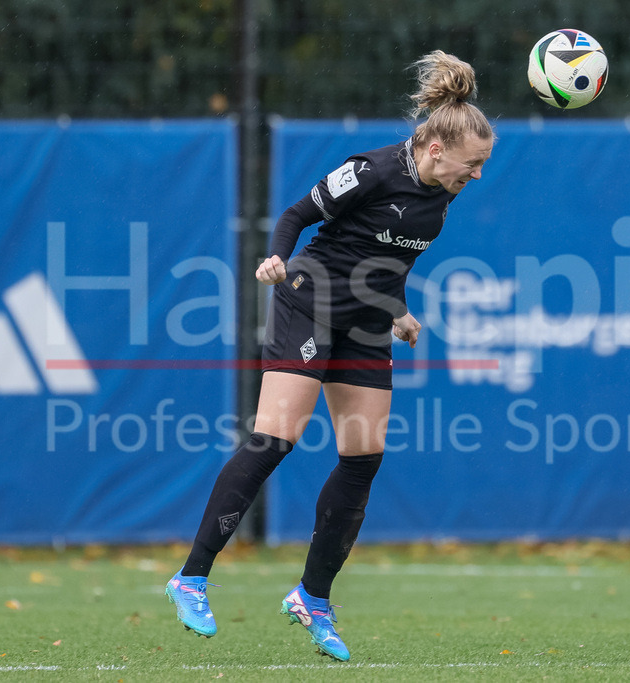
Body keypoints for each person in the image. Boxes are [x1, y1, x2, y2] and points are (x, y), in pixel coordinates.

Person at [164, 50, 495, 661]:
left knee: (364, 456)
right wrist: (275, 258)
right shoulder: (369, 170)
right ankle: (191, 576)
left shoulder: (441, 198)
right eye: (471, 165)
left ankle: (312, 597)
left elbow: (385, 260)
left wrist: (397, 311)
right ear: (436, 150)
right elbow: (297, 214)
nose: (475, 177)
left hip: (367, 319)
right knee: (275, 439)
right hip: (308, 300)